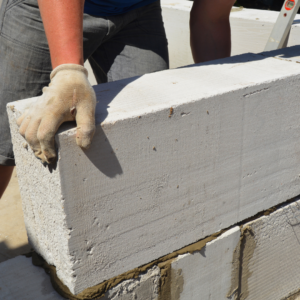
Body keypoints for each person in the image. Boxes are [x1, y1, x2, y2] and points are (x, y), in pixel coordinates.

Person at [0, 0, 235, 198]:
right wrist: (68, 72)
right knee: (4, 146)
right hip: (45, 7)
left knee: (150, 131)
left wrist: (221, 96)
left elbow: (211, 18)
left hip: (137, 9)